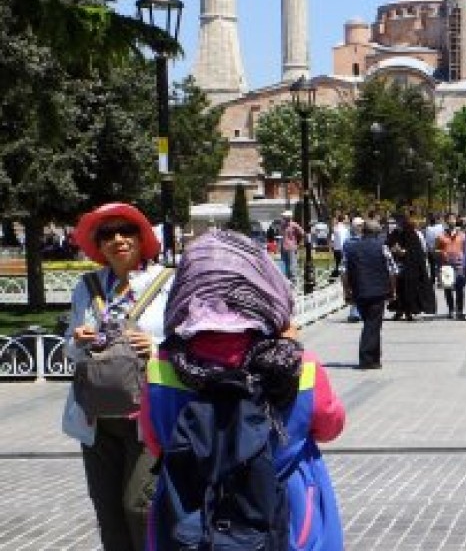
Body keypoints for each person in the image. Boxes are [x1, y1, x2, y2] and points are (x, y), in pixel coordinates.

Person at [139, 230, 345, 550]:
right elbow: (330, 425)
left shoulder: (162, 365)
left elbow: (155, 441)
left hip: (192, 516)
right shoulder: (296, 362)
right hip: (288, 511)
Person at [63, 203, 175, 551]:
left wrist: (156, 347)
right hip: (97, 419)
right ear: (98, 244)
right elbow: (69, 349)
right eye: (107, 234)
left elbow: (189, 341)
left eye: (127, 231)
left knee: (140, 507)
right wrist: (77, 340)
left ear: (142, 239)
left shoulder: (168, 283)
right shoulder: (87, 287)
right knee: (108, 512)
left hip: (147, 415)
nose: (118, 239)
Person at [341, 218, 397, 370]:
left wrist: (347, 291)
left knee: (371, 323)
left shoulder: (350, 248)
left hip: (359, 291)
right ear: (377, 233)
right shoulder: (382, 247)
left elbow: (344, 272)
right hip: (378, 291)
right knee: (372, 324)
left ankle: (375, 357)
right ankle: (366, 359)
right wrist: (392, 290)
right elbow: (393, 271)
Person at [387, 213, 432, 321]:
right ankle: (399, 310)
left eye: (396, 222)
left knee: (409, 290)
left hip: (411, 267)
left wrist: (405, 252)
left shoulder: (412, 234)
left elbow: (417, 251)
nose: (394, 225)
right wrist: (393, 249)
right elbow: (388, 245)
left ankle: (409, 311)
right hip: (397, 266)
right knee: (398, 290)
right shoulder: (394, 233)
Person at [435, 214, 466, 319]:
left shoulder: (462, 235)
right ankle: (451, 310)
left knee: (460, 288)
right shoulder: (441, 235)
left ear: (456, 221)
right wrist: (442, 252)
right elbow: (435, 249)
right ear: (446, 221)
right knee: (448, 288)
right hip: (446, 265)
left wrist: (465, 263)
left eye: (453, 219)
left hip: (459, 265)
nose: (452, 221)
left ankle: (460, 311)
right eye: (449, 219)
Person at [278, 210, 305, 282]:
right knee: (285, 264)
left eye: (285, 217)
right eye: (283, 217)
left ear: (289, 217)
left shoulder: (294, 225)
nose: (284, 218)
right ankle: (287, 279)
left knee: (292, 264)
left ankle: (294, 279)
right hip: (284, 247)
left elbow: (302, 233)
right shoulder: (282, 225)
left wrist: (299, 243)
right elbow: (282, 236)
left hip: (292, 247)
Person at [329, 214, 351, 280]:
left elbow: (332, 239)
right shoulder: (344, 229)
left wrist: (332, 247)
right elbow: (345, 239)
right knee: (343, 266)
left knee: (338, 264)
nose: (348, 220)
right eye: (346, 219)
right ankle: (341, 278)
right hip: (342, 249)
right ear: (343, 220)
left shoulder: (335, 228)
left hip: (336, 249)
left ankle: (335, 276)